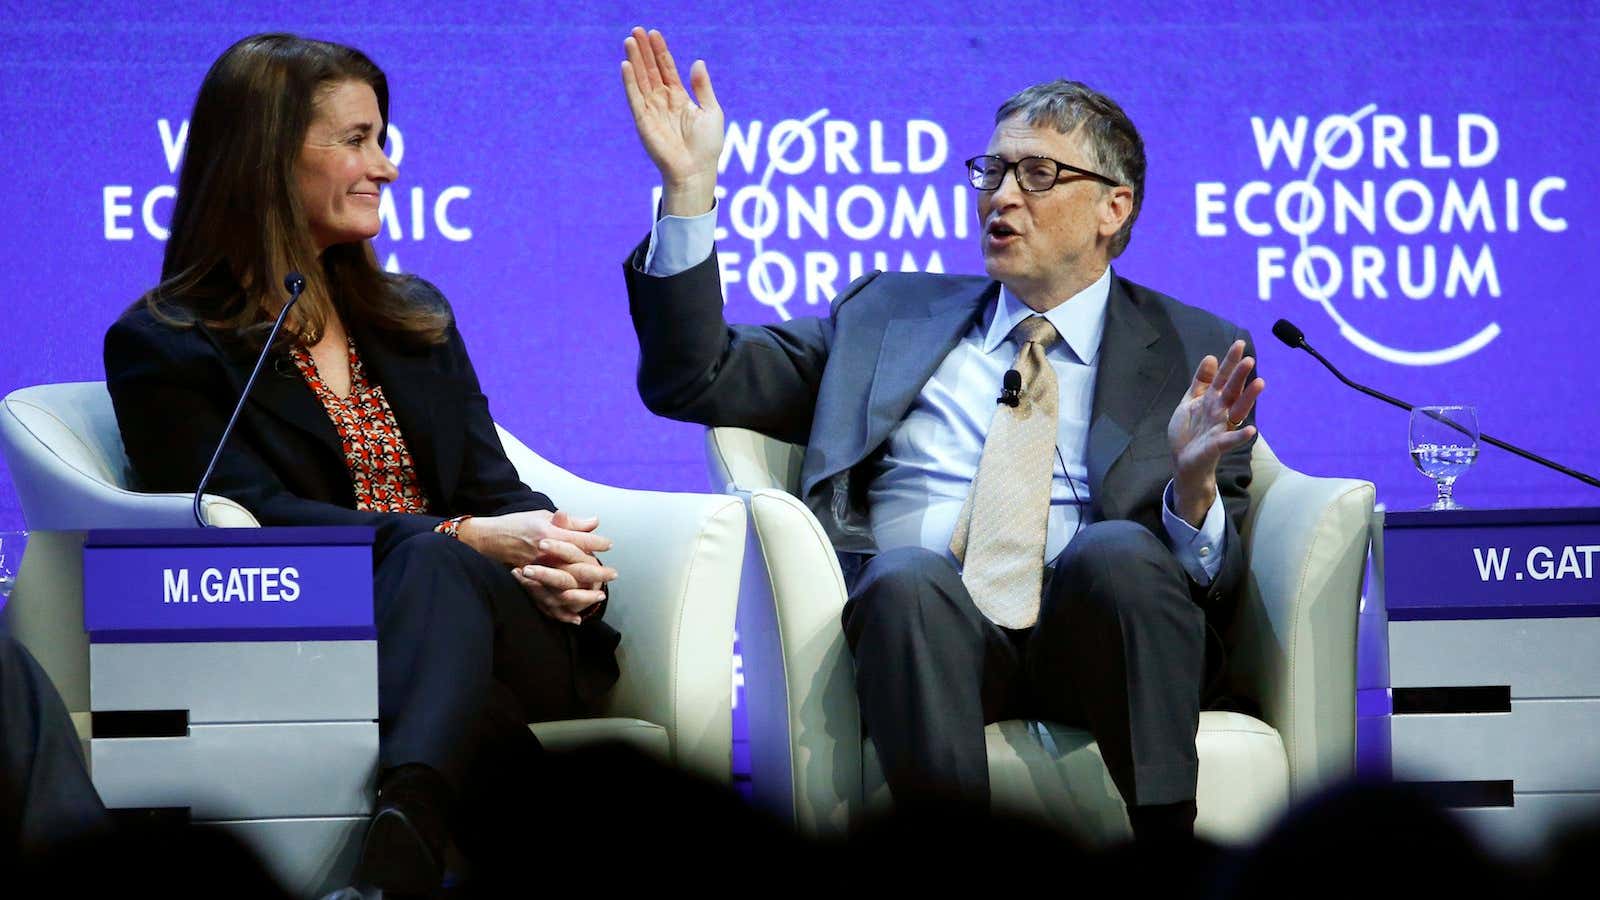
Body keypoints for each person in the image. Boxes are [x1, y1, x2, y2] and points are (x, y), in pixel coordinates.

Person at [619, 28, 1265, 839]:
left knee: (1118, 551)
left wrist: (1194, 491)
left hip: (1100, 642)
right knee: (909, 578)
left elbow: (1217, 581)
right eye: (991, 171)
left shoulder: (1190, 348)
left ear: (1114, 207)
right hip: (926, 641)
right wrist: (687, 190)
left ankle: (1170, 846)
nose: (1000, 195)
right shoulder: (888, 317)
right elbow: (694, 377)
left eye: (1038, 175)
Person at [103, 33, 620, 895]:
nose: (384, 166)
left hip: (500, 629)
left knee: (438, 566)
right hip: (315, 638)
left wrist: (561, 558)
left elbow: (496, 490)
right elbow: (240, 510)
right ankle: (418, 840)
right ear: (267, 154)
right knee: (443, 605)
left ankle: (402, 842)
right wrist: (456, 535)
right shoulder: (168, 344)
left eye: (382, 139)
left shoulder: (412, 317)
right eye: (356, 139)